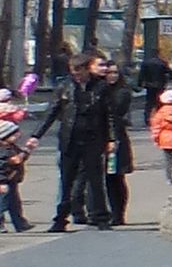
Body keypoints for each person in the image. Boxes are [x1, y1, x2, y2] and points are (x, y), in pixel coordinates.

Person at [45, 53, 131, 231]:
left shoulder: (100, 87)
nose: (76, 75)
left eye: (79, 71)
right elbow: (51, 112)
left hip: (93, 140)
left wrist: (111, 138)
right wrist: (35, 136)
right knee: (67, 181)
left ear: (87, 69)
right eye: (73, 71)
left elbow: (110, 114)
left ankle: (101, 218)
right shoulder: (65, 86)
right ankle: (60, 219)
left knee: (95, 180)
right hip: (70, 139)